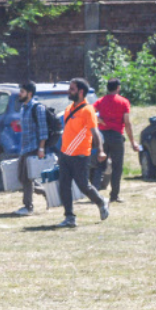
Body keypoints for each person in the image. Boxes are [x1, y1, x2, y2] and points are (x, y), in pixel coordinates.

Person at [55, 78, 109, 228]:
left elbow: (95, 131)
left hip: (80, 156)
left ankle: (101, 201)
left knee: (83, 186)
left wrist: (101, 150)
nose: (68, 91)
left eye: (71, 89)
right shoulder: (69, 109)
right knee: (64, 186)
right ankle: (70, 217)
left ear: (80, 92)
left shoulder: (88, 110)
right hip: (65, 154)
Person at [91, 79, 141, 204]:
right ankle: (114, 195)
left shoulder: (101, 101)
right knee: (117, 167)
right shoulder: (124, 102)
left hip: (102, 136)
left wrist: (99, 120)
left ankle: (94, 194)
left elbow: (90, 112)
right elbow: (127, 123)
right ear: (118, 88)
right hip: (117, 136)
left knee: (99, 165)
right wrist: (132, 141)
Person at [8, 82, 49, 217]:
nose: (20, 94)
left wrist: (41, 148)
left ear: (29, 93)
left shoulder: (38, 108)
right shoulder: (23, 108)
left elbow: (43, 130)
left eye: (22, 91)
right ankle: (44, 191)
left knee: (26, 178)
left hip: (34, 148)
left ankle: (28, 206)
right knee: (22, 177)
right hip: (24, 148)